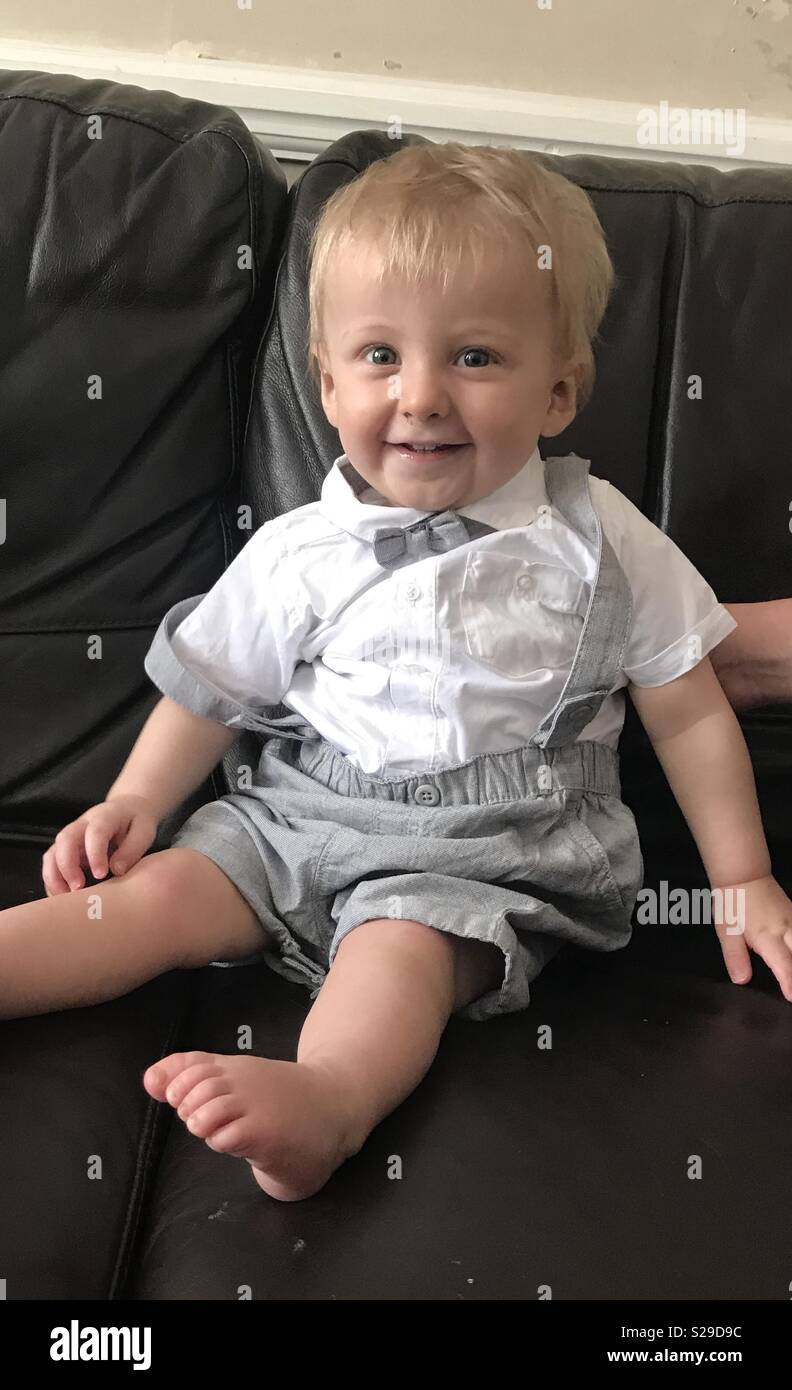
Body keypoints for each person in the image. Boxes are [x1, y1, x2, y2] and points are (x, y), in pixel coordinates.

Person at [2, 143, 791, 1206]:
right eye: (379, 355)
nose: (420, 396)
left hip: (492, 848)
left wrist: (740, 878)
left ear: (558, 390)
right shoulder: (300, 547)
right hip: (296, 810)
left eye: (473, 357)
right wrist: (135, 800)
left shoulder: (602, 539)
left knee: (402, 948)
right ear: (326, 382)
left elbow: (690, 712)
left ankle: (325, 1101)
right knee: (154, 900)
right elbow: (210, 684)